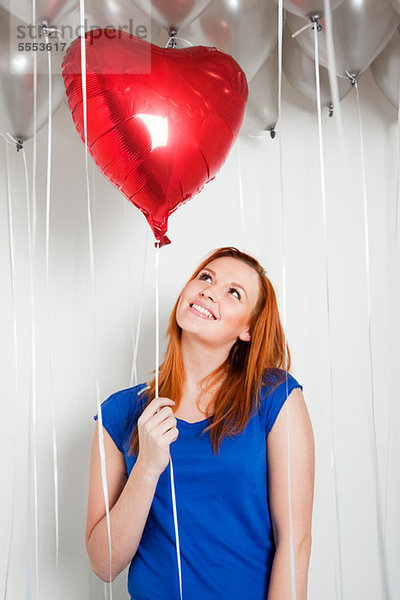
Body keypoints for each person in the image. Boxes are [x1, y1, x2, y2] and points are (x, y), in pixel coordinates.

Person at [85, 246, 315, 600]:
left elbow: (295, 544)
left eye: (233, 292)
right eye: (206, 277)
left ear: (248, 330)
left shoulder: (276, 398)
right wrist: (147, 468)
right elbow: (104, 565)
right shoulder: (120, 413)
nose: (209, 290)